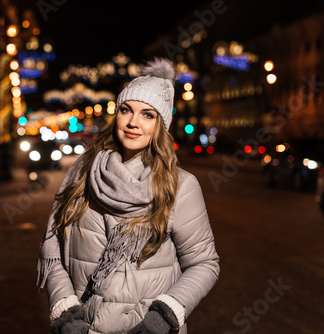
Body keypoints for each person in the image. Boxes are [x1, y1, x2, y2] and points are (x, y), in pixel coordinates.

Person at [37, 58, 220, 334]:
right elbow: (54, 256)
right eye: (126, 110)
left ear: (161, 124)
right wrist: (67, 316)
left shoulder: (180, 186)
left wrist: (160, 320)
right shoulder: (81, 175)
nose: (134, 122)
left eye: (148, 114)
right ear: (117, 115)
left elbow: (205, 264)